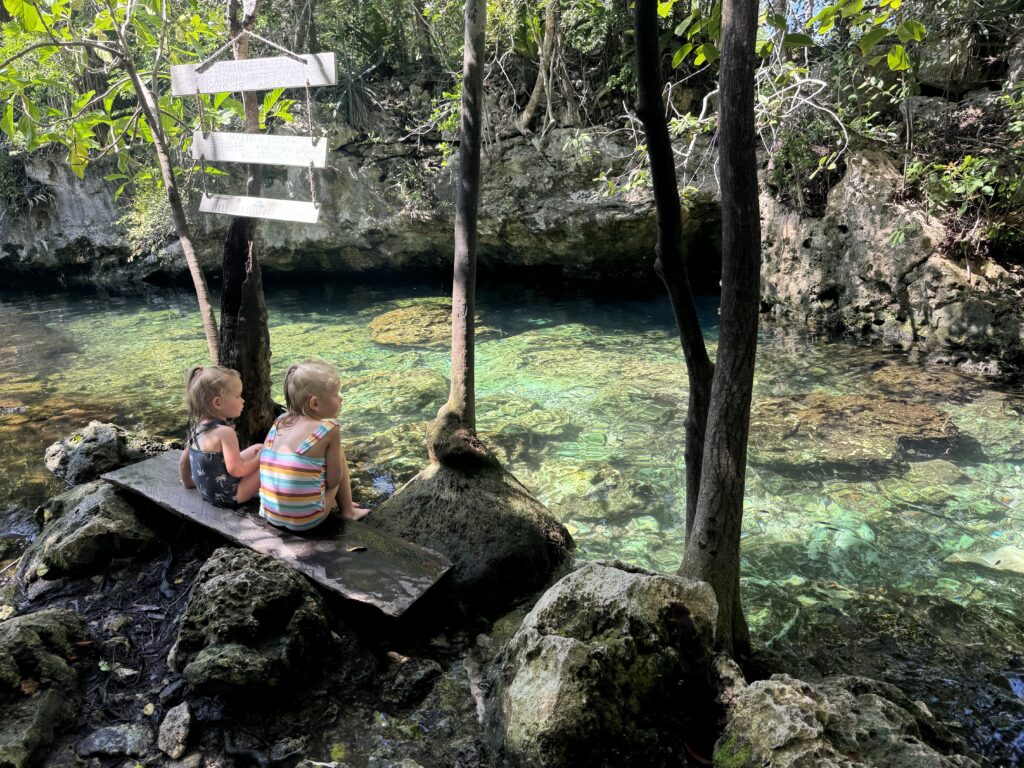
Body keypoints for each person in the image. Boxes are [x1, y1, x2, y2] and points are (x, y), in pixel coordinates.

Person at [259, 360, 369, 532]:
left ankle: (322, 502)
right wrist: (330, 495)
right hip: (306, 520)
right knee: (338, 456)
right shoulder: (329, 429)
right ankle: (348, 511)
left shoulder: (279, 421)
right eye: (336, 394)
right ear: (315, 404)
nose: (341, 398)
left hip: (270, 513)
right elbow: (334, 480)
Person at [178, 365, 263, 507]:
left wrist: (189, 484)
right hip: (231, 496)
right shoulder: (226, 433)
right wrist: (259, 460)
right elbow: (236, 470)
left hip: (206, 492)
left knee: (258, 447)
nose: (243, 400)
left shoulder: (196, 428)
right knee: (269, 462)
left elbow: (182, 463)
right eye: (238, 396)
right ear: (218, 402)